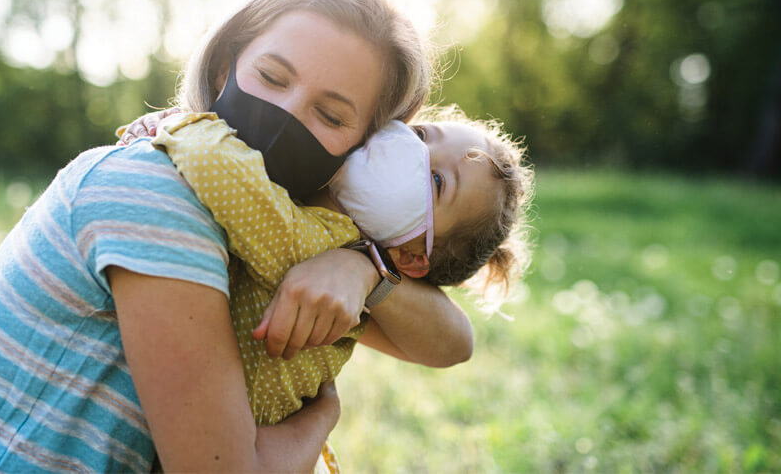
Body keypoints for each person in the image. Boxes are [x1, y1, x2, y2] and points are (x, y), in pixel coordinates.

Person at [0, 0, 477, 472]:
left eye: (331, 114)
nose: (283, 113)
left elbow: (452, 342)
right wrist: (319, 420)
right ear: (223, 68)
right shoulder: (159, 191)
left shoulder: (267, 229)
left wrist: (364, 269)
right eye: (271, 76)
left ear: (360, 150)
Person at [117, 98, 532, 468]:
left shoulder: (326, 242)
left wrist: (185, 124)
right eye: (422, 135)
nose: (412, 153)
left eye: (437, 180)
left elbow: (457, 343)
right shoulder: (327, 219)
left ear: (411, 256)